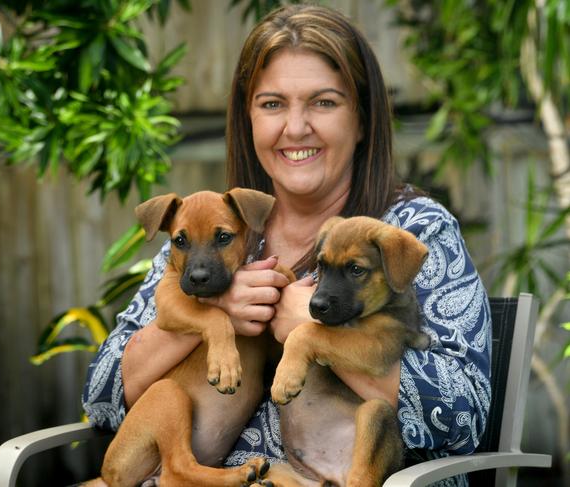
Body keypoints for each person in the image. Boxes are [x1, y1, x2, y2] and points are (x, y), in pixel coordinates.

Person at [82, 4, 491, 486]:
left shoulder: (413, 232)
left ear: (361, 120)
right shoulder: (214, 229)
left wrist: (316, 332)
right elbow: (102, 394)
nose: (296, 128)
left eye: (323, 102)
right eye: (272, 104)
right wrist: (212, 314)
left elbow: (465, 415)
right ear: (249, 119)